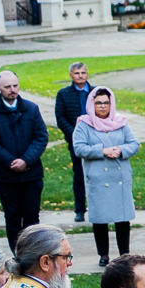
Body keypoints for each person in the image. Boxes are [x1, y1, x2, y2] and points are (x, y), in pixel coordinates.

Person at [0, 70, 48, 247]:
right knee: (13, 216)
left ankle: (33, 255)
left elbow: (41, 136)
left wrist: (26, 160)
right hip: (5, 176)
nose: (12, 89)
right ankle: (18, 256)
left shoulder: (31, 108)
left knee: (32, 215)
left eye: (15, 85)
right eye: (7, 86)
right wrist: (11, 161)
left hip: (31, 174)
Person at [72, 87, 138, 267]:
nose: (103, 106)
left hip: (120, 177)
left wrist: (121, 150)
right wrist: (102, 151)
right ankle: (104, 255)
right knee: (100, 218)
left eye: (106, 103)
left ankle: (125, 253)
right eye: (99, 103)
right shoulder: (84, 124)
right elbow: (79, 148)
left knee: (122, 218)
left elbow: (134, 144)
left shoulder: (121, 122)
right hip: (99, 177)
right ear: (92, 104)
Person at [53, 60, 93, 224]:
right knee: (79, 175)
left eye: (83, 72)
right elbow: (61, 118)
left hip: (96, 141)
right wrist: (75, 136)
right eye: (77, 73)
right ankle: (79, 210)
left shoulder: (96, 92)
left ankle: (96, 208)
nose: (80, 76)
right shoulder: (64, 94)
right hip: (76, 141)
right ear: (71, 75)